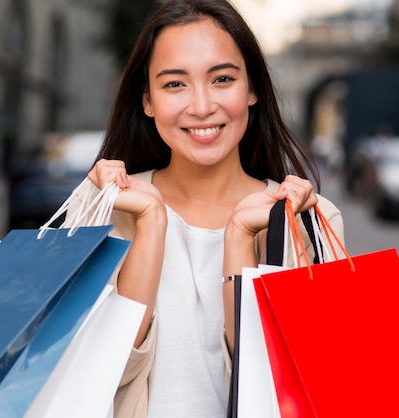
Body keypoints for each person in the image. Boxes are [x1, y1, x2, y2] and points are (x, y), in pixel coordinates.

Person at [70, 0, 345, 416]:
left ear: (251, 89)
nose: (201, 106)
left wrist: (239, 239)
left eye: (221, 79)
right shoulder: (102, 208)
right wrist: (149, 226)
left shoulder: (309, 218)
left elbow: (292, 384)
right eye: (174, 84)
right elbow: (90, 375)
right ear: (148, 102)